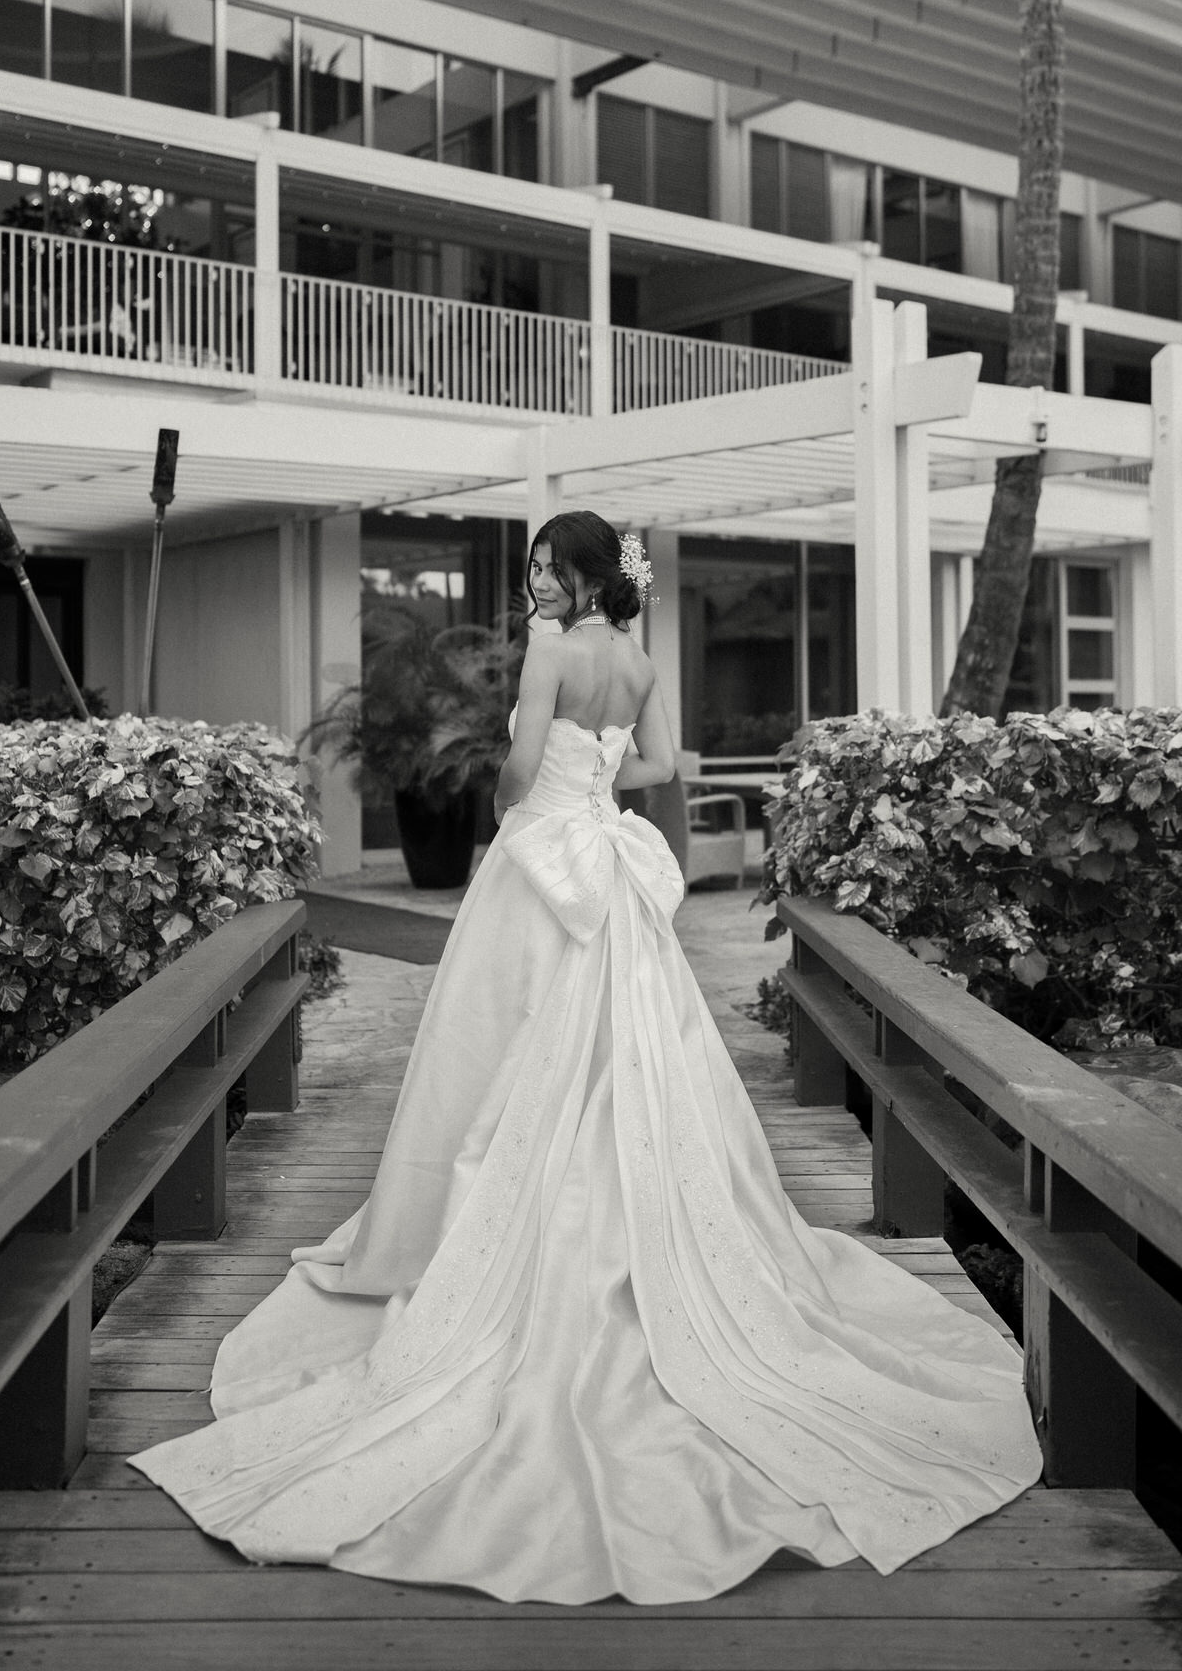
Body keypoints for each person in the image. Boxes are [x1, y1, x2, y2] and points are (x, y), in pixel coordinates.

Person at [129, 509, 1041, 1605]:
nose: (541, 586)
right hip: (605, 859)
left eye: (553, 569)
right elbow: (661, 762)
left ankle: (502, 1220)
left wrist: (528, 795)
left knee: (502, 1037)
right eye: (533, 571)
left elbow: (516, 768)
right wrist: (595, 794)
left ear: (589, 574)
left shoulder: (553, 650)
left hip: (538, 863)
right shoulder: (640, 654)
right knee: (631, 1050)